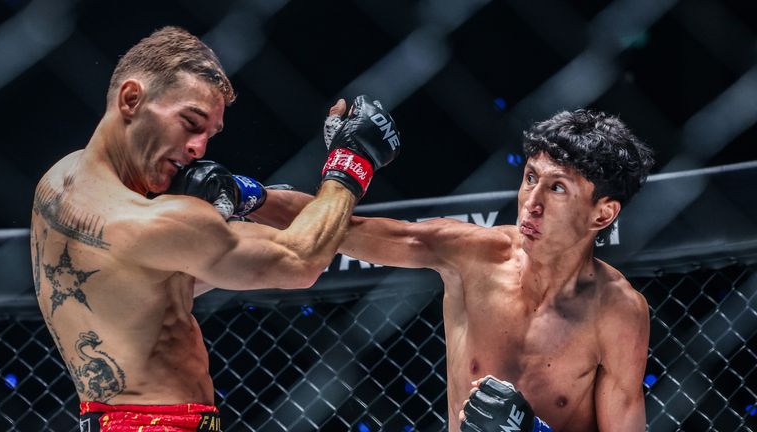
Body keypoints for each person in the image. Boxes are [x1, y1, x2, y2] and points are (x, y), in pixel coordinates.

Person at [29, 26, 400, 431]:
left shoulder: (60, 180)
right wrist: (350, 162)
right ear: (131, 99)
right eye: (190, 122)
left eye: (209, 134)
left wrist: (243, 203)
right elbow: (299, 260)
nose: (199, 149)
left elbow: (148, 285)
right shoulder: (150, 221)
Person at [243, 106, 654, 431]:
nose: (532, 203)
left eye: (558, 187)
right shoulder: (475, 256)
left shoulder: (618, 312)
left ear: (602, 214)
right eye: (531, 178)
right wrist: (242, 194)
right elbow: (349, 231)